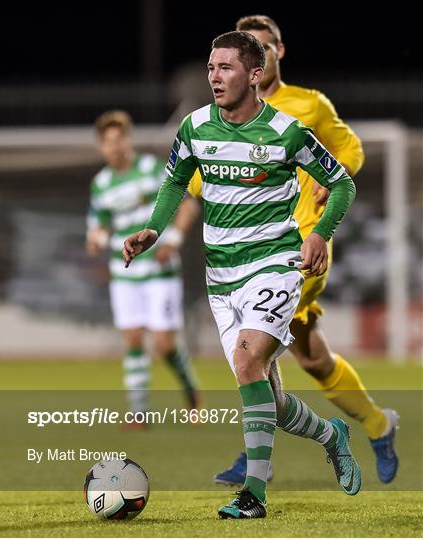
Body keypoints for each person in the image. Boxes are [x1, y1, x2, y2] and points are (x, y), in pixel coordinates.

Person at [124, 31, 360, 519]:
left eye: (226, 67)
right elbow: (173, 181)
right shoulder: (194, 128)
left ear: (255, 75)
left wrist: (319, 234)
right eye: (211, 67)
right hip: (222, 277)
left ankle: (253, 495)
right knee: (266, 399)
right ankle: (330, 434)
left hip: (274, 265)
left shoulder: (287, 132)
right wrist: (153, 228)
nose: (214, 76)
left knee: (248, 361)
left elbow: (341, 183)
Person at [199, 15, 398, 487]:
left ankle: (254, 464)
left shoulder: (307, 107)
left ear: (277, 53)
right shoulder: (224, 119)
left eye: (263, 48)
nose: (256, 57)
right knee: (311, 358)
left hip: (300, 250)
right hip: (248, 252)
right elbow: (200, 174)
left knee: (253, 355)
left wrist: (332, 185)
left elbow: (350, 149)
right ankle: (376, 424)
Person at [86, 110, 199, 424]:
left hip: (159, 269)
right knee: (133, 339)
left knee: (164, 345)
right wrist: (95, 239)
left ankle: (191, 391)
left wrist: (173, 239)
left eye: (120, 138)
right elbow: (97, 229)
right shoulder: (101, 185)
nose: (115, 146)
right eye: (108, 141)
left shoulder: (150, 168)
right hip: (124, 272)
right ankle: (138, 413)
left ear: (128, 139)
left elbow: (187, 202)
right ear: (101, 147)